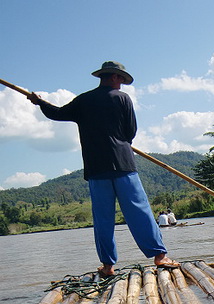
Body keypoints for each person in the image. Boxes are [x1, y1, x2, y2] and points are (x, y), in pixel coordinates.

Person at [28, 61, 179, 276]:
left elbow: (57, 113)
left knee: (103, 218)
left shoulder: (84, 100)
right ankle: (160, 257)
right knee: (139, 211)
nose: (122, 85)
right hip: (123, 164)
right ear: (116, 77)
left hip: (96, 168)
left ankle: (108, 266)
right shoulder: (123, 99)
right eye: (122, 80)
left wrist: (39, 102)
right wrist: (119, 142)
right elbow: (130, 132)